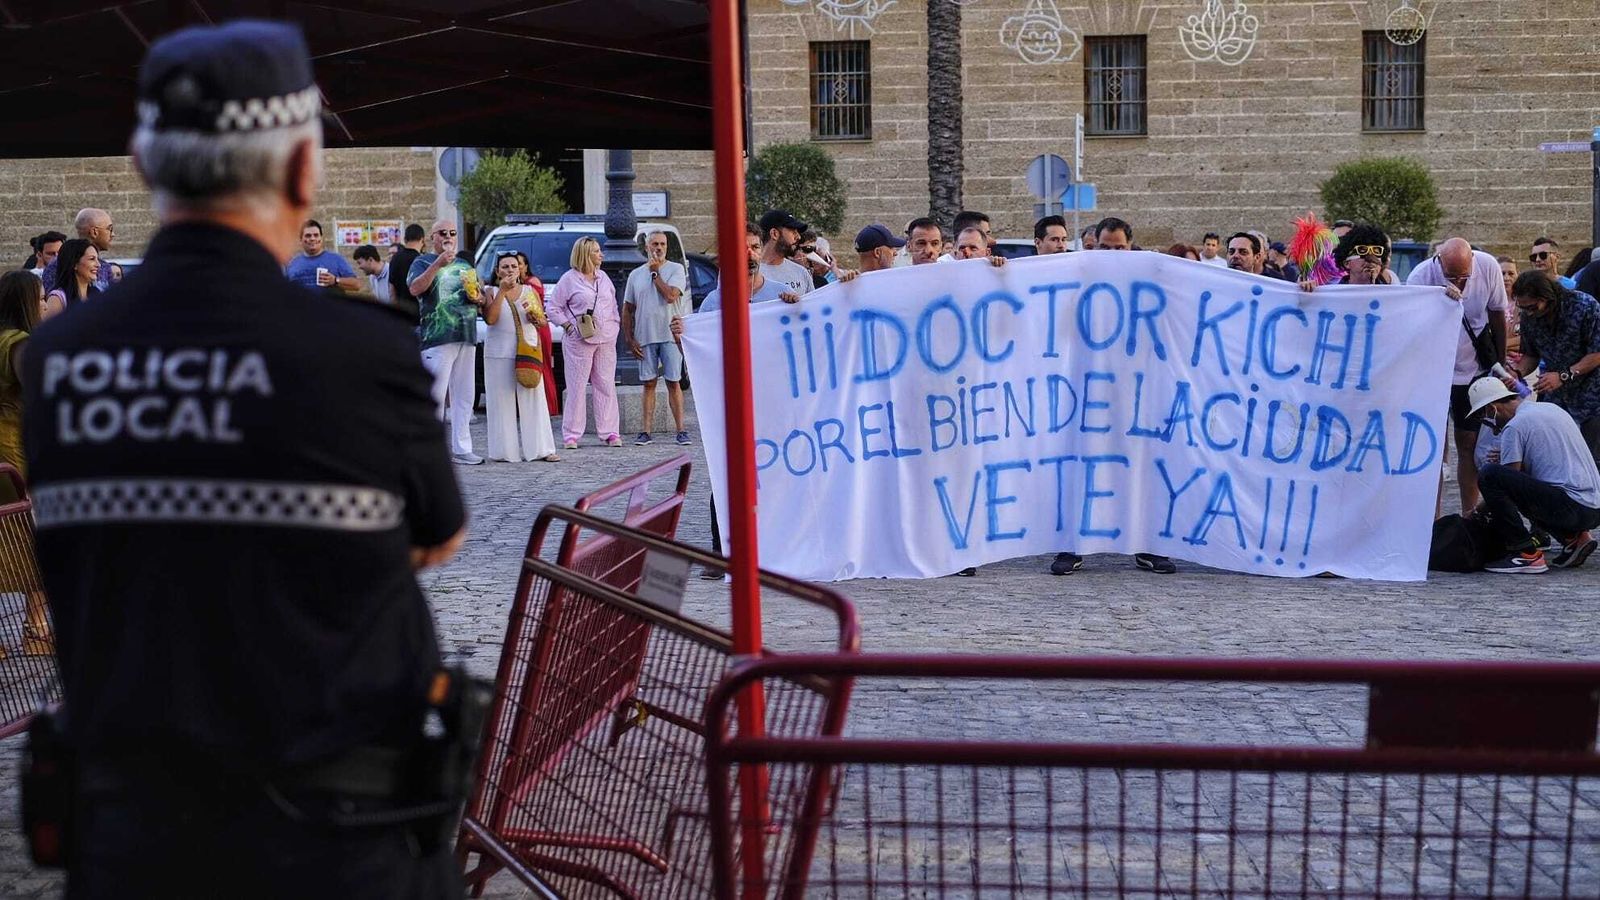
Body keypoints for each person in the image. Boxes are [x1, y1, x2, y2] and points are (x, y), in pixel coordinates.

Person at [22, 21, 466, 894]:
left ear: (147, 169)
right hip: (340, 847)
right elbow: (436, 538)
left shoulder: (60, 362)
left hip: (133, 843)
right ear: (304, 171)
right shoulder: (364, 353)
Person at [1050, 218, 1177, 577]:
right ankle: (1073, 545)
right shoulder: (1076, 275)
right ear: (1093, 247)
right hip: (1086, 388)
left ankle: (1146, 546)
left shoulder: (1150, 276)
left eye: (1118, 249)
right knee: (1081, 464)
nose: (1112, 255)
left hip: (1137, 390)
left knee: (1139, 467)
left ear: (1130, 247)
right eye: (1104, 248)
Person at [1407, 236, 1509, 513]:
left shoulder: (1487, 267)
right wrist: (1439, 299)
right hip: (1434, 372)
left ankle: (1469, 514)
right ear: (1438, 262)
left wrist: (1499, 364)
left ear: (1473, 261)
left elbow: (1498, 315)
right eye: (1452, 276)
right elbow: (1410, 328)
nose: (1460, 283)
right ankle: (1434, 518)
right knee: (1434, 448)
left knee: (1469, 443)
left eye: (1465, 276)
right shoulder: (1421, 276)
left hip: (1472, 368)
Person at [1466, 377, 1600, 573]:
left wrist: (1477, 511)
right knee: (1516, 481)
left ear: (1491, 409)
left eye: (1483, 417)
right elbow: (1543, 469)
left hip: (1572, 508)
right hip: (1593, 506)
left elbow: (1507, 484)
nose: (1490, 427)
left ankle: (1525, 553)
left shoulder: (1515, 426)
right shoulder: (1549, 408)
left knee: (1489, 475)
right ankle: (1575, 539)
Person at [409, 220, 485, 464]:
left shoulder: (464, 264)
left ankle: (462, 448)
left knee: (464, 395)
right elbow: (415, 288)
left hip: (466, 333)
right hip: (438, 335)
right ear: (433, 237)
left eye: (452, 233)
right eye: (443, 233)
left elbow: (477, 294)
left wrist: (479, 297)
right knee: (435, 394)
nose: (448, 236)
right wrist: (438, 263)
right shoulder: (421, 262)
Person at [1509, 270, 1600, 467]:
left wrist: (1564, 375)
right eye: (1523, 308)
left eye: (1532, 307)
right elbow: (1531, 355)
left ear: (1547, 298)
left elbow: (1597, 353)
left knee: (1592, 461)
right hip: (1555, 399)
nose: (1528, 313)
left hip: (1592, 398)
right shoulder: (1529, 317)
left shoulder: (1585, 306)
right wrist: (1517, 373)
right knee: (1556, 459)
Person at [482, 252, 559, 463]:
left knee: (534, 398)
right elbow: (491, 318)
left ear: (520, 269)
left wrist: (538, 319)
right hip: (499, 352)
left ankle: (542, 449)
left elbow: (542, 321)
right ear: (498, 271)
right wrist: (502, 293)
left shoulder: (529, 291)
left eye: (513, 266)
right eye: (505, 267)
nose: (509, 270)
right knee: (501, 400)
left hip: (527, 349)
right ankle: (504, 451)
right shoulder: (491, 291)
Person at [547, 236, 621, 449]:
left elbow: (612, 304)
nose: (601, 255)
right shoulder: (569, 279)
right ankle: (572, 434)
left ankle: (609, 432)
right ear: (586, 255)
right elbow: (553, 308)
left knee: (606, 385)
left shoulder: (604, 278)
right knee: (576, 387)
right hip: (579, 340)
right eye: (596, 251)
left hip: (606, 339)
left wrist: (614, 325)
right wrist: (568, 326)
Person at [623, 230, 691, 445]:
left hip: (670, 335)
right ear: (647, 247)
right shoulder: (635, 275)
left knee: (673, 381)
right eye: (655, 244)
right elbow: (628, 308)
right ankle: (646, 431)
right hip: (645, 334)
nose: (659, 248)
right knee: (649, 383)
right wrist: (629, 338)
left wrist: (655, 274)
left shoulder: (676, 269)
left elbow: (671, 296)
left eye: (662, 244)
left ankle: (681, 430)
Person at [0, 271, 39, 476]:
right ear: (25, 304)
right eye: (41, 298)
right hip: (12, 441)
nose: (46, 304)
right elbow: (37, 389)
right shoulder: (19, 342)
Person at [513, 251, 560, 415]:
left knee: (543, 366)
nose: (516, 267)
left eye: (519, 264)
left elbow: (534, 310)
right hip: (529, 328)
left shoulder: (531, 283)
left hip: (538, 328)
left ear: (526, 266)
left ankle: (549, 406)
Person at [40, 208, 115, 293]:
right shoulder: (59, 264)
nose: (113, 235)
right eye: (110, 229)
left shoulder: (105, 267)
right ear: (94, 232)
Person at [285, 219, 360, 292]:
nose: (312, 238)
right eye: (308, 236)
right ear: (301, 240)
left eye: (316, 235)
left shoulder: (336, 259)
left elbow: (356, 285)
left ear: (321, 238)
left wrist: (335, 280)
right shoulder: (293, 264)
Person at [758, 210, 814, 294]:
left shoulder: (802, 273)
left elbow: (813, 305)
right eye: (793, 232)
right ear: (774, 234)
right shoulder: (748, 274)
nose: (798, 237)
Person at [44, 237, 101, 319]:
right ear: (75, 264)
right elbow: (50, 330)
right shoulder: (58, 299)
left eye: (97, 259)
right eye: (92, 259)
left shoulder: (96, 294)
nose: (98, 265)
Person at [389, 223, 425, 313]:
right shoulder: (422, 260)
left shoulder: (395, 258)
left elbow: (392, 289)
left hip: (401, 314)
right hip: (418, 314)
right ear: (422, 239)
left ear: (405, 240)